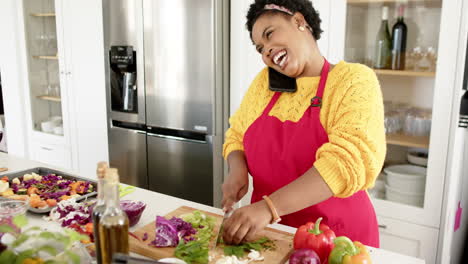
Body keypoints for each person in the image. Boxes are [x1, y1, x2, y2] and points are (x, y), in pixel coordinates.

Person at [221, 0, 386, 247]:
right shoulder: (264, 84)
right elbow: (237, 134)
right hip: (272, 237)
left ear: (299, 21)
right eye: (260, 48)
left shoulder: (352, 80)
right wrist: (237, 168)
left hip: (337, 240)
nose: (266, 50)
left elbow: (347, 162)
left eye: (269, 34)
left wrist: (269, 207)